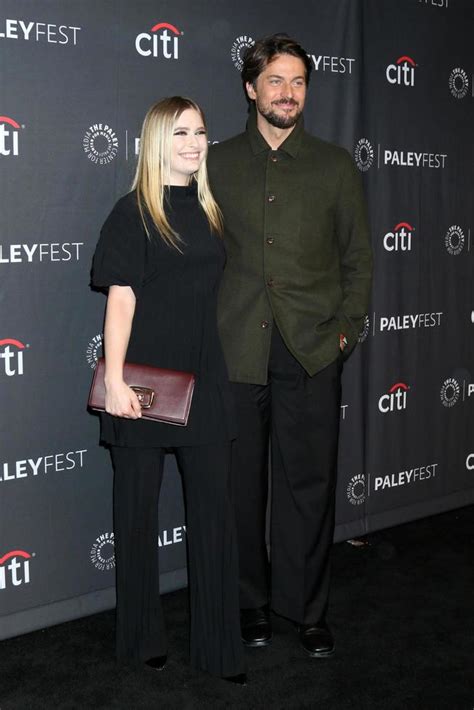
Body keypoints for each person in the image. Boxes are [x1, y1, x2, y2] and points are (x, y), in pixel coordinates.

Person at [207, 35, 373, 657]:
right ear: (251, 88)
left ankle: (306, 610)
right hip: (235, 351)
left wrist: (344, 332)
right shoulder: (216, 163)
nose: (287, 93)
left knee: (309, 486)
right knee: (238, 487)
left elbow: (358, 259)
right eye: (275, 80)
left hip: (310, 350)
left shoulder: (334, 166)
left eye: (298, 82)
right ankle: (249, 602)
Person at [91, 97, 246, 683]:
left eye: (201, 132)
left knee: (214, 521)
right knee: (135, 517)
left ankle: (217, 648)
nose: (193, 142)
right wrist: (115, 378)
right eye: (180, 132)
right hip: (143, 388)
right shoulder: (132, 213)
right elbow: (121, 301)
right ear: (156, 140)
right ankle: (139, 639)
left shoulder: (210, 211)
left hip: (205, 385)